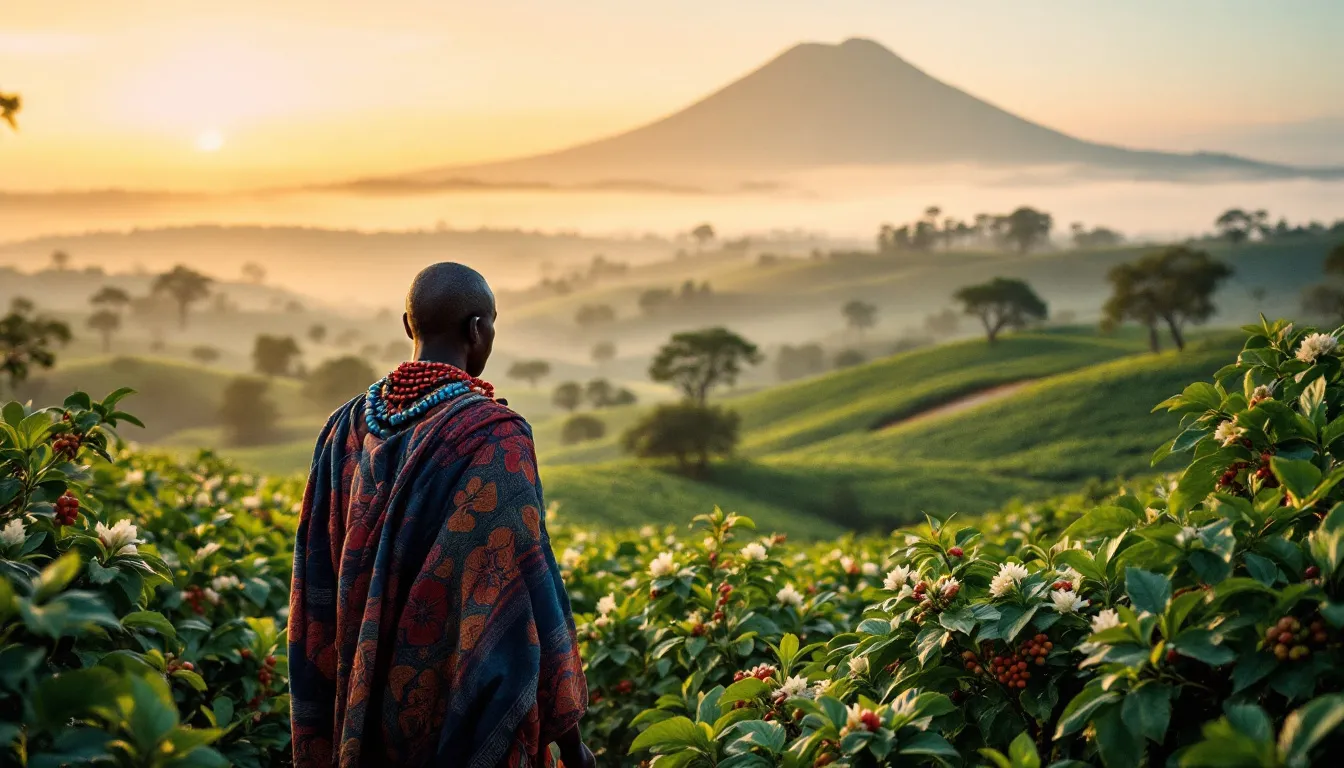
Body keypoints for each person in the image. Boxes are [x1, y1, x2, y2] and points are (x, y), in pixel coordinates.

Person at [289, 263, 594, 767]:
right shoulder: (496, 437)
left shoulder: (344, 427)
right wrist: (572, 746)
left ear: (408, 326)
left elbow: (314, 580)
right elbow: (529, 594)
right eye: (492, 323)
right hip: (447, 722)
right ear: (478, 329)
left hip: (353, 706)